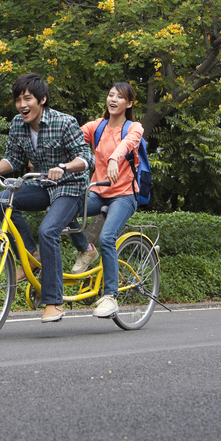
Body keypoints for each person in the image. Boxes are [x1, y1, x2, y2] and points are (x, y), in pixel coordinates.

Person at [0, 74, 94, 323]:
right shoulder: (18, 123)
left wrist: (64, 167)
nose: (22, 105)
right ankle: (31, 255)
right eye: (18, 100)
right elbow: (13, 159)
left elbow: (86, 158)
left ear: (42, 99)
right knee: (2, 200)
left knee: (48, 230)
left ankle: (54, 301)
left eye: (27, 99)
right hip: (42, 184)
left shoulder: (64, 122)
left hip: (70, 187)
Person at [73, 81, 145, 318]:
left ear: (129, 103)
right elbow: (71, 137)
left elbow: (127, 144)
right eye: (111, 95)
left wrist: (114, 158)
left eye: (120, 97)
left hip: (124, 196)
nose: (113, 99)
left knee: (107, 237)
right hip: (98, 191)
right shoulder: (98, 126)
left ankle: (110, 296)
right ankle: (85, 249)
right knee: (63, 208)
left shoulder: (134, 127)